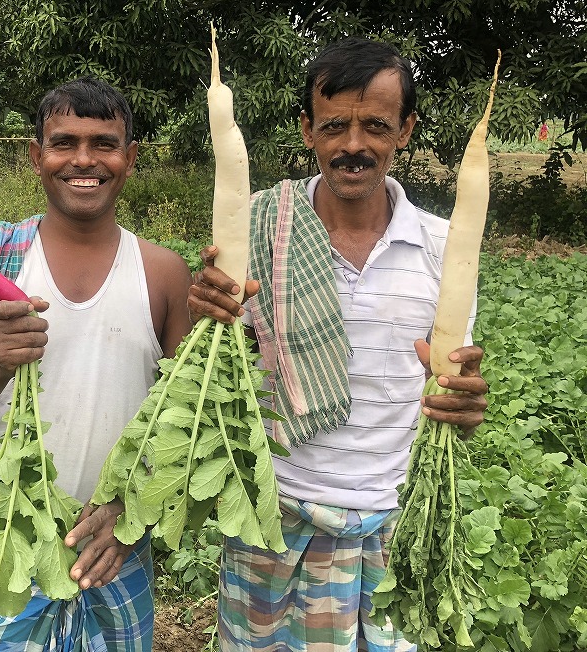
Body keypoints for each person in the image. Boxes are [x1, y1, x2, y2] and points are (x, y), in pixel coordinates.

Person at [188, 38, 490, 651]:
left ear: (404, 131)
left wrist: (462, 406)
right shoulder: (258, 228)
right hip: (275, 517)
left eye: (375, 125)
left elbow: (448, 382)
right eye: (335, 126)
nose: (354, 145)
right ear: (307, 130)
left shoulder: (442, 248)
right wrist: (210, 323)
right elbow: (225, 370)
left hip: (398, 520)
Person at [0, 76, 193, 651]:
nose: (84, 160)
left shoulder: (164, 273)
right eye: (64, 142)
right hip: (6, 540)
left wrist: (130, 513)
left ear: (130, 157)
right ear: (36, 156)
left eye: (104, 143)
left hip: (115, 547)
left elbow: (183, 434)